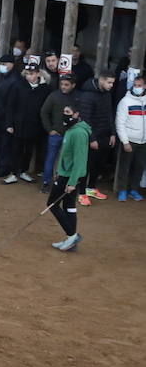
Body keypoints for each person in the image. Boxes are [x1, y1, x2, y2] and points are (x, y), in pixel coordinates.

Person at [48, 100, 90, 251]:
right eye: (64, 112)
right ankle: (70, 239)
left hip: (71, 176)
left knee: (52, 204)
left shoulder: (78, 133)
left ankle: (72, 235)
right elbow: (66, 155)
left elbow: (79, 159)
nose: (64, 115)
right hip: (66, 174)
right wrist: (59, 172)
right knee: (69, 206)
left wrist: (72, 182)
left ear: (76, 114)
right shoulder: (71, 130)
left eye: (68, 113)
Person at [75, 72, 116, 205]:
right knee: (85, 166)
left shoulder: (107, 94)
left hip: (105, 136)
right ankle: (81, 193)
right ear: (102, 80)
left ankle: (91, 188)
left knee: (98, 165)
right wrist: (91, 139)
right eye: (109, 82)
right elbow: (85, 119)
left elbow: (110, 114)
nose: (111, 85)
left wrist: (113, 133)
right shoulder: (87, 95)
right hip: (91, 137)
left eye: (112, 83)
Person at [114, 72, 146, 201]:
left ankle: (134, 190)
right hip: (130, 140)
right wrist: (125, 141)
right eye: (135, 85)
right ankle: (122, 190)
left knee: (139, 166)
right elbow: (120, 122)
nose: (137, 87)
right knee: (125, 166)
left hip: (143, 141)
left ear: (144, 86)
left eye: (139, 85)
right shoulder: (125, 102)